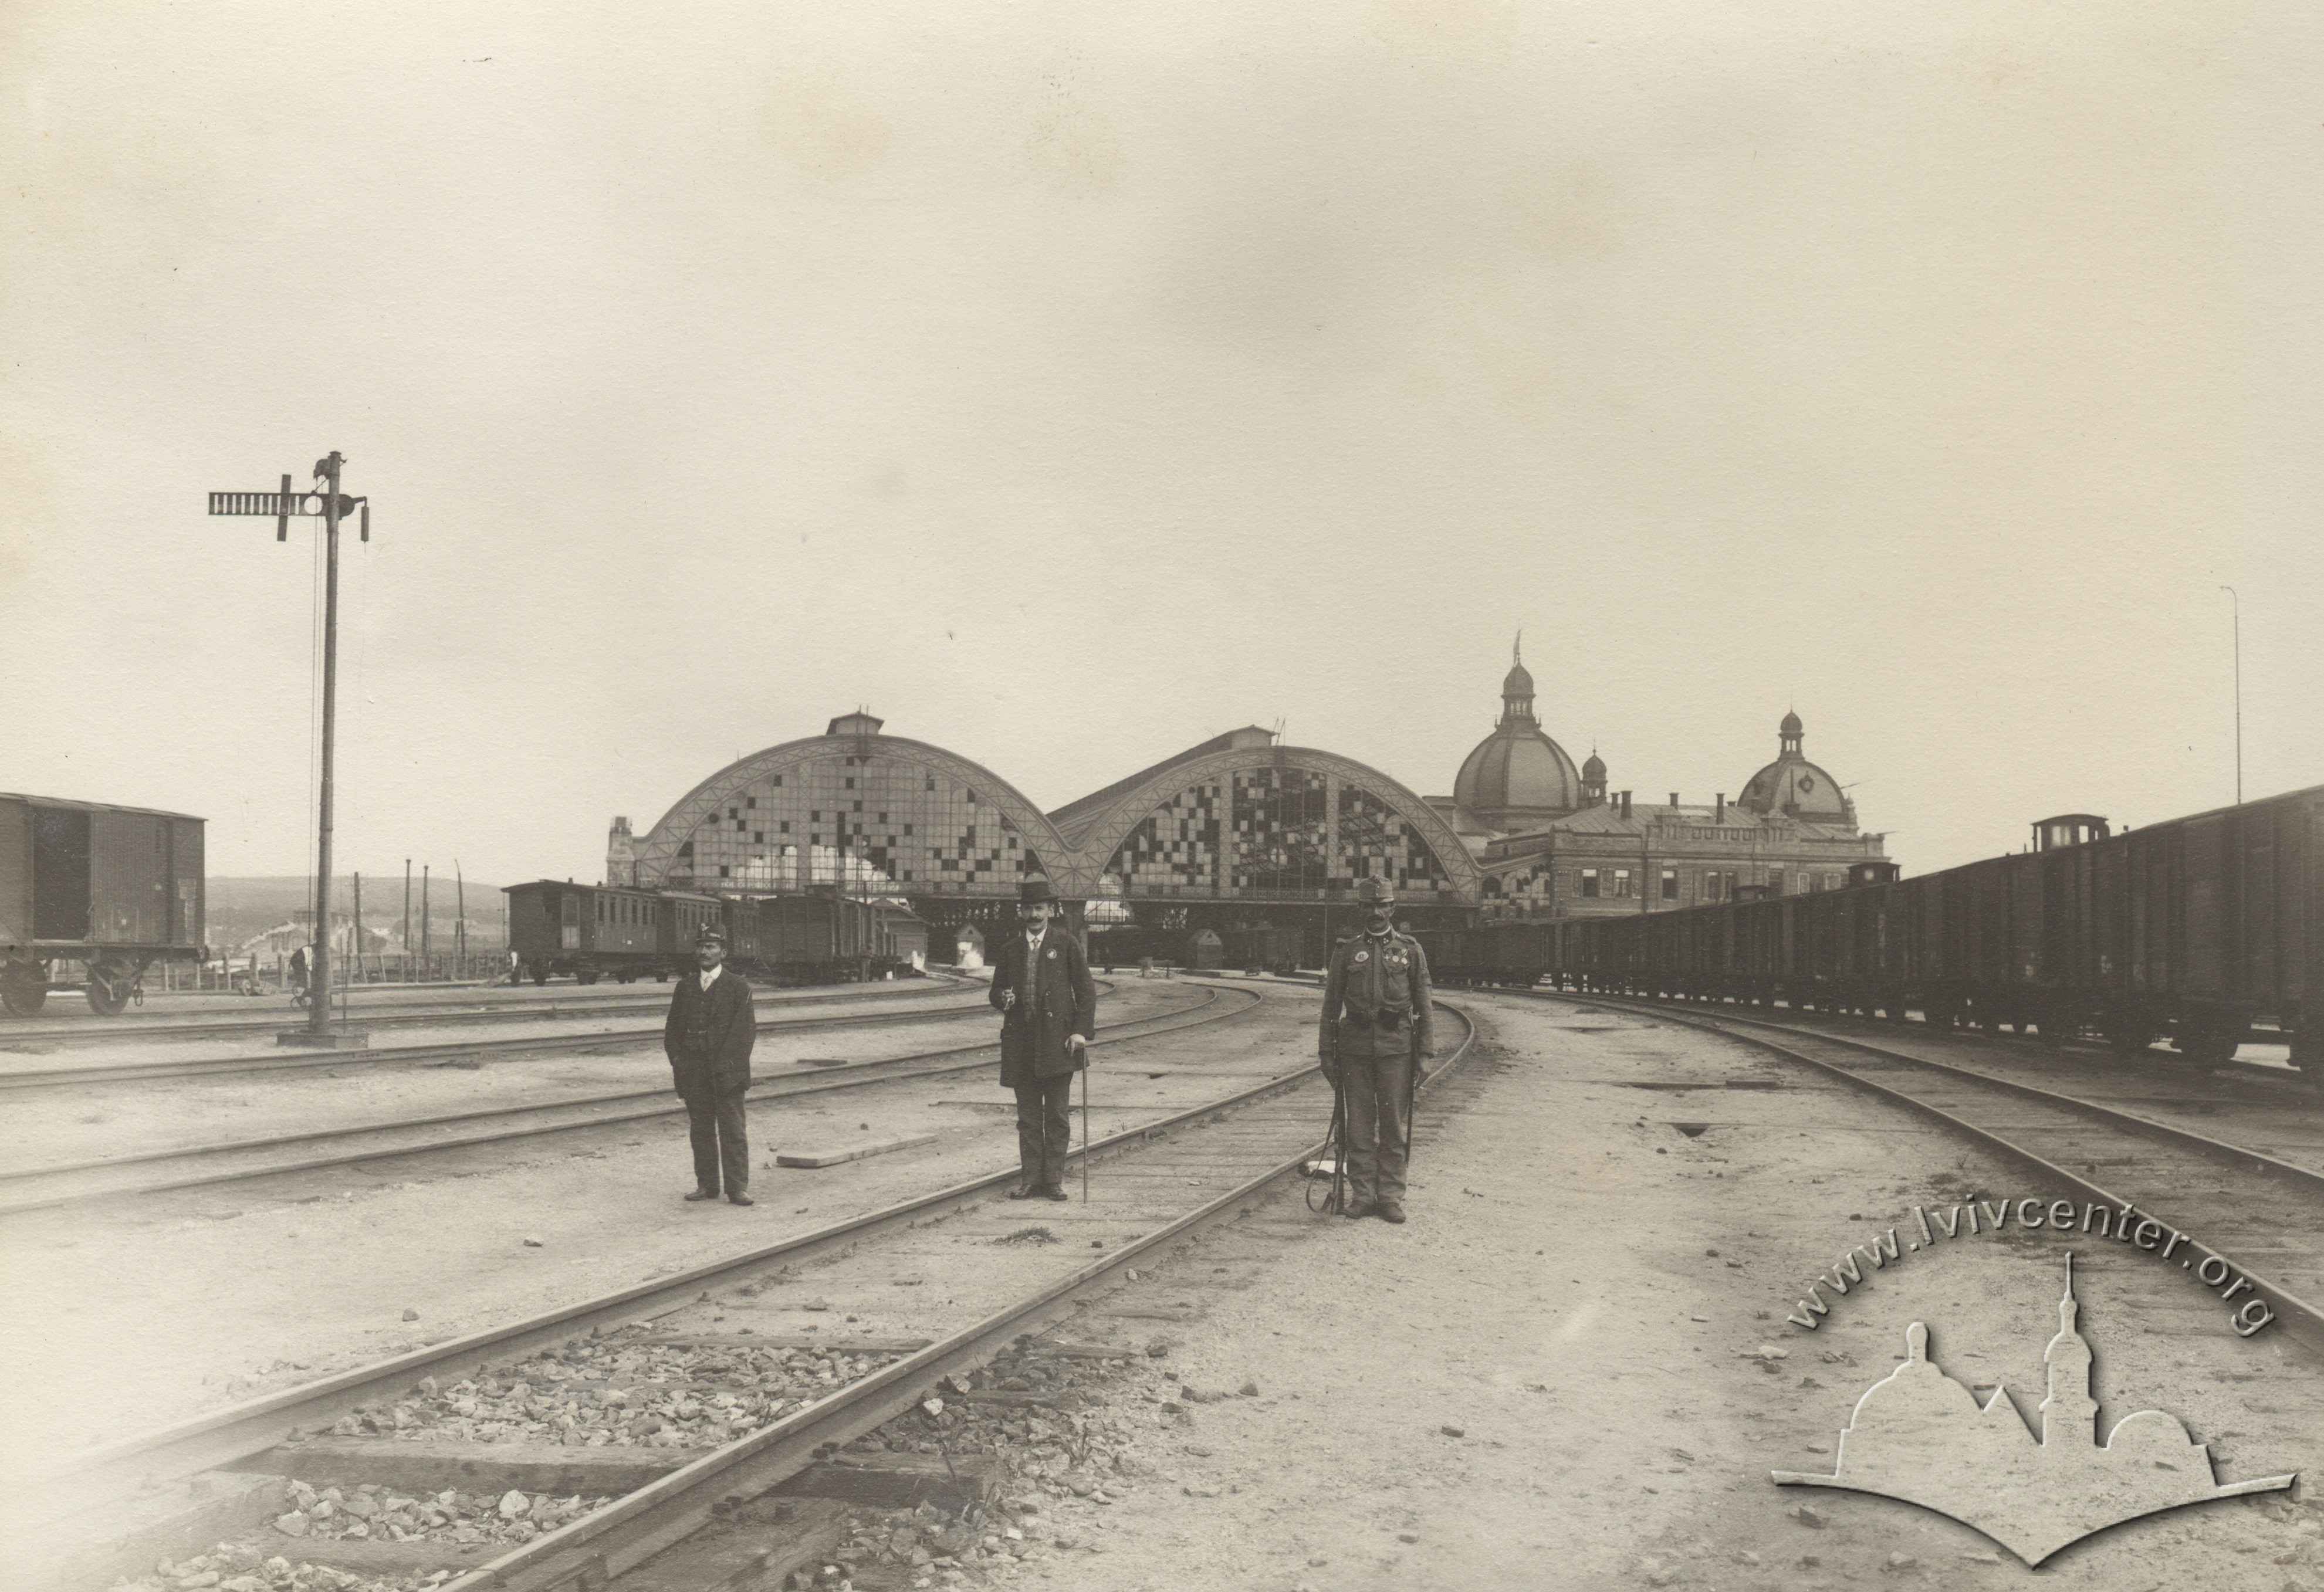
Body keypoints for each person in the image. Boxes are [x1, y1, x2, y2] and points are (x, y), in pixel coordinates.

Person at [1318, 878, 1433, 1224]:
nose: (1376, 912)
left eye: (1383, 905)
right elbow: (1330, 1006)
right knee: (1359, 1128)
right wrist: (1326, 1053)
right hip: (1353, 1050)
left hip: (1397, 1050)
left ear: (1393, 908)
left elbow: (1425, 1006)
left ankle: (1391, 1197)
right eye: (1369, 906)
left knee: (1394, 1128)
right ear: (1360, 910)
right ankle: (1363, 1196)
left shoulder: (1411, 950)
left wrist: (1425, 1053)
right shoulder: (1346, 951)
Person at [989, 879, 1096, 1200]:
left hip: (1058, 1044)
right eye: (1029, 909)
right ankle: (1030, 1180)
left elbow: (1086, 992)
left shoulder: (1066, 944)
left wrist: (1080, 1031)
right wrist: (1002, 998)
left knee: (1058, 1117)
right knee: (1029, 1119)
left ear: (1051, 910)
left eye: (1040, 908)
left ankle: (1054, 1181)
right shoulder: (1010, 950)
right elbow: (995, 990)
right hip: (1021, 1045)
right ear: (1021, 912)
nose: (1034, 914)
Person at [663, 928, 757, 1206]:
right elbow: (672, 1031)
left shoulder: (738, 986)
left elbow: (745, 1033)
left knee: (733, 1130)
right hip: (693, 1070)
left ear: (723, 953)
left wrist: (728, 1067)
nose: (705, 952)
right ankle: (707, 1185)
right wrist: (678, 1061)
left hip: (727, 1071)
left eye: (712, 947)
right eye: (701, 946)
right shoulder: (685, 987)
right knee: (701, 1130)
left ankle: (737, 1188)